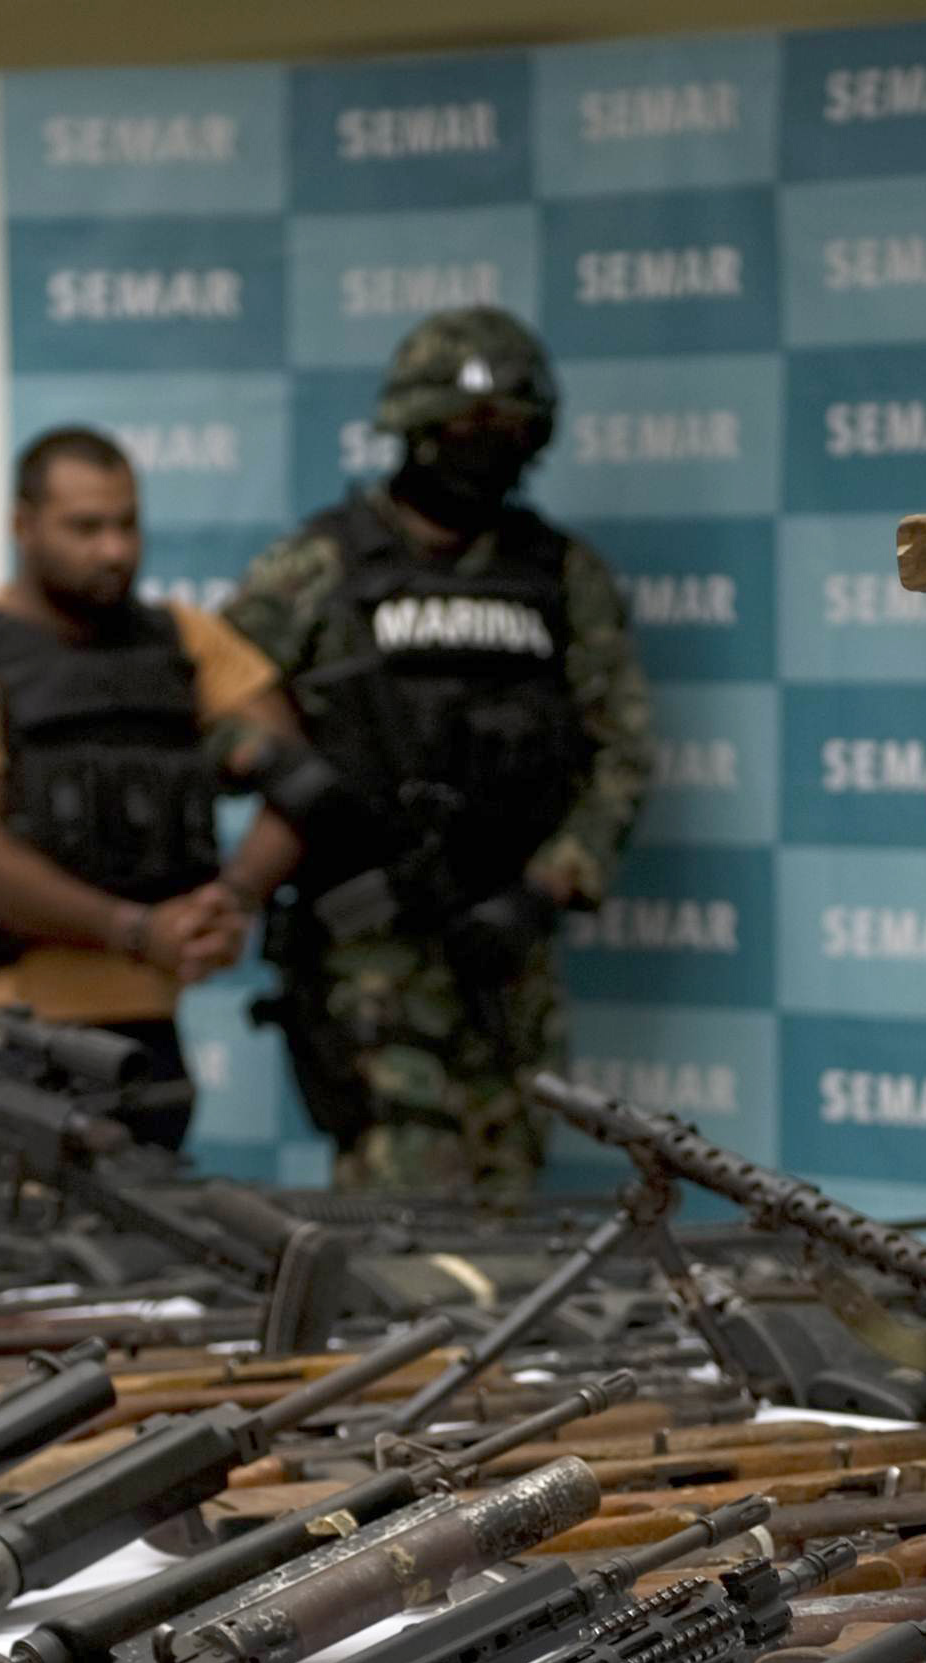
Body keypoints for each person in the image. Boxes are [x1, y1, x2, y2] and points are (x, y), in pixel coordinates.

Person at [221, 307, 649, 1199]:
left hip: (505, 946)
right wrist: (281, 765)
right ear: (412, 431)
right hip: (369, 952)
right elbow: (211, 692)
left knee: (509, 1187)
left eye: (510, 432)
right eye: (461, 429)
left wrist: (544, 890)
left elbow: (620, 752)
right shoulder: (321, 564)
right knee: (399, 1207)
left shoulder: (561, 576)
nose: (483, 449)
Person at [0, 428, 310, 1148]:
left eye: (127, 525)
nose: (113, 550)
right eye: (85, 527)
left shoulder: (183, 641)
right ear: (23, 526)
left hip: (151, 1037)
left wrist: (231, 899)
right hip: (14, 1034)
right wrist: (136, 931)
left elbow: (300, 780)